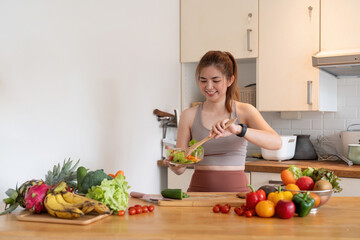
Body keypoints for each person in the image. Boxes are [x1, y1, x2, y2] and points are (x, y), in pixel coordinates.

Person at [166, 50, 282, 192]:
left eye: (216, 81)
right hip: (198, 195)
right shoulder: (188, 115)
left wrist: (239, 130)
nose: (208, 87)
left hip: (238, 195)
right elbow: (180, 169)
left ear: (229, 80)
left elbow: (276, 142)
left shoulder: (244, 111)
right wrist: (174, 163)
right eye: (203, 80)